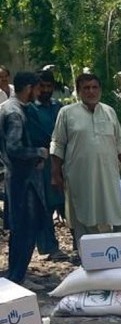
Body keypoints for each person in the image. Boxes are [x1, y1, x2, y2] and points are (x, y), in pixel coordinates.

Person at [50, 72, 121, 247]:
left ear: (100, 90)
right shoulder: (67, 113)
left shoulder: (109, 112)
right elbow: (58, 144)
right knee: (85, 217)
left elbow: (120, 144)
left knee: (120, 214)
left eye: (94, 87)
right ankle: (91, 260)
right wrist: (55, 174)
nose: (91, 92)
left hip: (110, 176)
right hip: (81, 177)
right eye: (86, 88)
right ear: (78, 91)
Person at [1, 72, 48, 287]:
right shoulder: (14, 112)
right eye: (37, 88)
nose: (39, 93)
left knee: (22, 228)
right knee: (25, 229)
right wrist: (39, 152)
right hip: (23, 180)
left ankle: (17, 275)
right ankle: (17, 277)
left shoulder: (14, 109)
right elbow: (14, 147)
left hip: (20, 178)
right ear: (29, 87)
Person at [25, 69, 64, 258]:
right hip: (42, 162)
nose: (46, 90)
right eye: (42, 86)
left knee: (67, 203)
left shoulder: (59, 107)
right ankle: (49, 247)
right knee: (45, 206)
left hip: (62, 160)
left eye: (49, 86)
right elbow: (35, 135)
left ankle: (80, 244)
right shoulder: (29, 109)